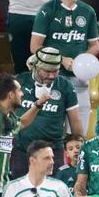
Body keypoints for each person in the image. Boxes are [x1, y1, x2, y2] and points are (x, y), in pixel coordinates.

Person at [12, 48, 82, 178]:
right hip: (22, 151)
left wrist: (78, 145)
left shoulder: (65, 86)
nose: (52, 76)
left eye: (55, 71)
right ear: (36, 67)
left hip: (54, 152)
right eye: (47, 71)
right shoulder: (19, 82)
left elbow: (75, 121)